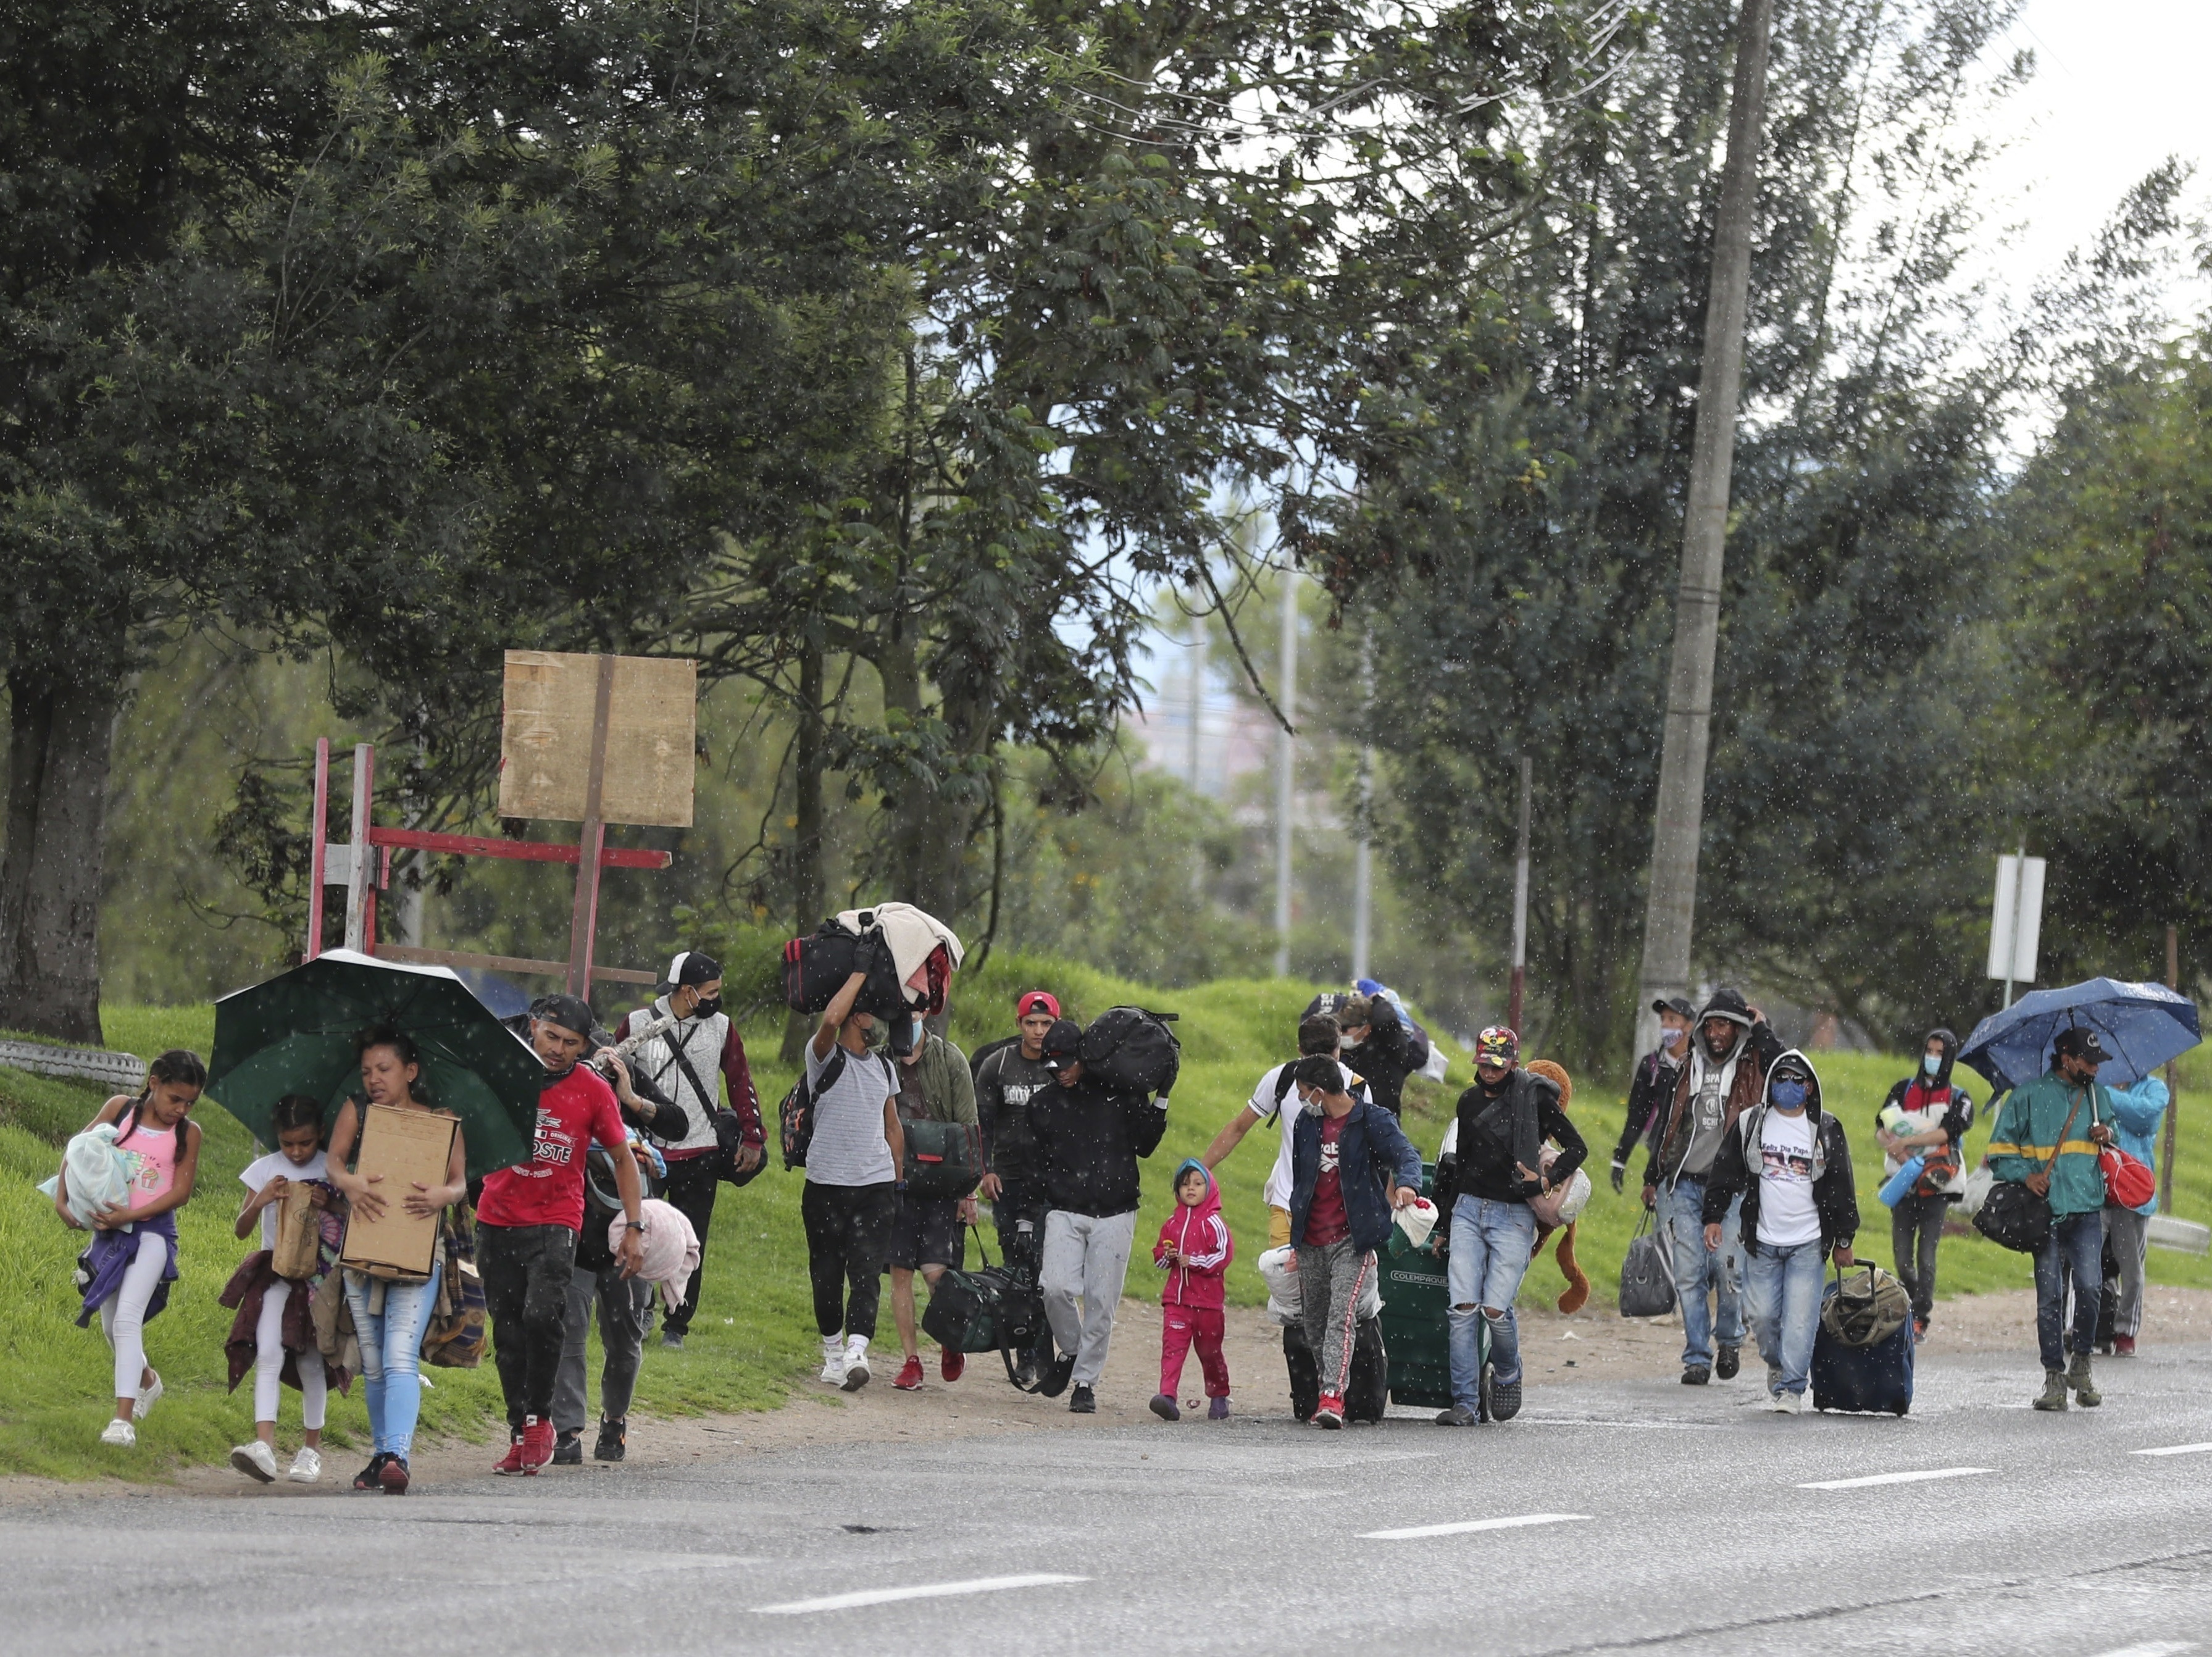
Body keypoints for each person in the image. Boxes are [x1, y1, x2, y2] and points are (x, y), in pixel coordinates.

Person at [477, 996, 645, 1477]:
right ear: (533, 1027)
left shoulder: (592, 1090)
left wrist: (633, 1228)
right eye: (550, 1036)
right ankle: (519, 1430)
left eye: (570, 1044)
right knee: (507, 1331)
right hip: (496, 1217)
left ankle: (541, 1420)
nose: (557, 1050)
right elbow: (464, 1132)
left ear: (583, 1047)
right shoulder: (503, 1072)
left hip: (556, 1220)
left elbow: (623, 1157)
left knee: (542, 1315)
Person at [327, 1027, 471, 1492]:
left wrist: (440, 1198)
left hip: (418, 1249)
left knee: (398, 1355)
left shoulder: (440, 1120)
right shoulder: (358, 1111)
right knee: (370, 1361)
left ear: (410, 1071)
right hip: (363, 1248)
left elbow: (459, 1182)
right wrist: (348, 1184)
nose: (374, 1079)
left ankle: (398, 1456)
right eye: (367, 1071)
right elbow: (333, 1162)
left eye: (384, 1069)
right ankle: (381, 1454)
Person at [52, 1050, 207, 1450]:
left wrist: (133, 1213)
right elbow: (78, 1150)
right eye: (176, 1098)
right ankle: (148, 1382)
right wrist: (63, 1199)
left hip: (154, 1234)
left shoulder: (189, 1133)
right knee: (110, 1328)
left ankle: (122, 1422)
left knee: (126, 1321)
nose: (182, 1108)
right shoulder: (120, 1109)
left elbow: (181, 1192)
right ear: (154, 1082)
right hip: (109, 1235)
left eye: (190, 1102)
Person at [1432, 1028, 1584, 1427]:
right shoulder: (1467, 1102)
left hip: (1513, 1216)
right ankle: (1465, 1402)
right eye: (1484, 1063)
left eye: (1498, 1064)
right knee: (1462, 1309)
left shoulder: (1535, 1098)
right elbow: (1459, 1166)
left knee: (1496, 1310)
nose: (1489, 1071)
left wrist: (1544, 1182)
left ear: (1513, 1063)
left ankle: (1506, 1372)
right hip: (1468, 1210)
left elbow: (1576, 1148)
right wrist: (1444, 1224)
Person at [617, 951, 763, 1349]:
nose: (718, 997)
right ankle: (637, 1312)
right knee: (639, 1232)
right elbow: (611, 1081)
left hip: (701, 1151)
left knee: (691, 1242)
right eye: (712, 991)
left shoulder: (722, 1028)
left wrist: (753, 1136)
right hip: (646, 1154)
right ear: (688, 991)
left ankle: (677, 1324)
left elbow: (739, 1080)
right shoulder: (637, 1025)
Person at [1701, 1050, 1859, 1413]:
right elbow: (1724, 1172)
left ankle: (1792, 1387)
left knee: (1801, 1320)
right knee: (1761, 1316)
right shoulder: (1750, 1124)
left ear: (1809, 1088)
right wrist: (1713, 1216)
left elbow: (1841, 1186)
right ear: (1771, 1083)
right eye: (1781, 1078)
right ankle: (1776, 1362)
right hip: (1762, 1242)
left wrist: (1844, 1239)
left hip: (1808, 1242)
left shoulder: (1826, 1129)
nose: (1788, 1086)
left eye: (1796, 1080)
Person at [1644, 987, 1783, 1385]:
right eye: (1713, 1024)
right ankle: (1697, 1358)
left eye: (1728, 1024)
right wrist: (1653, 1174)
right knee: (1688, 1273)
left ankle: (1729, 1340)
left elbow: (1784, 1065)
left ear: (1739, 1028)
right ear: (1703, 1028)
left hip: (1736, 1188)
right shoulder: (1688, 1065)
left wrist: (1762, 1029)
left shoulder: (1755, 1065)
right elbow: (1669, 1122)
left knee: (1728, 1269)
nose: (1718, 1032)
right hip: (1686, 1184)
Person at [1030, 1016, 1168, 1413]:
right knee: (1054, 1287)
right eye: (1051, 1066)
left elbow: (1145, 1145)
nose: (1059, 1073)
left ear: (1084, 1057)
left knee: (1101, 1300)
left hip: (1117, 1210)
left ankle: (1085, 1382)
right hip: (1064, 1208)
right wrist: (1030, 1210)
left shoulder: (1120, 1094)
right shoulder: (1043, 1104)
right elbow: (1034, 1161)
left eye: (1065, 1064)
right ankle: (1072, 1350)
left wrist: (1162, 1097)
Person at [1285, 1056, 1422, 1428]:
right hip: (1311, 1239)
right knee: (1312, 1321)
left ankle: (1333, 1397)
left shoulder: (1372, 1120)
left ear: (1319, 1090)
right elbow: (1301, 1182)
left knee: (1340, 1316)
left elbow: (1406, 1155)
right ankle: (1323, 1391)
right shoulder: (1305, 1124)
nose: (1301, 1100)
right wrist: (1295, 1239)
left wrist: (1408, 1183)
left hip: (1352, 1239)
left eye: (1302, 1092)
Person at [1989, 1027, 2117, 1411]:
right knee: (2050, 1299)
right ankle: (2053, 1378)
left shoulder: (2098, 1096)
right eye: (2088, 1061)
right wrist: (2026, 1174)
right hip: (2045, 1216)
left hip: (2088, 1211)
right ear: (2067, 1059)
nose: (2095, 1068)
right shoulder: (2026, 1097)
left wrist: (2107, 1132)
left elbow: (2116, 1136)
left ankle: (2081, 1363)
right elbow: (1998, 1153)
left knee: (2092, 1288)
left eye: (2097, 1062)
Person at [551, 1080, 669, 1465]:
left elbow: (679, 1124)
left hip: (627, 1249)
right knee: (569, 1334)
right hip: (577, 1245)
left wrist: (632, 1094)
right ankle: (567, 1431)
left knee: (624, 1341)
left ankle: (614, 1419)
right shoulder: (562, 1122)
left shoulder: (633, 1138)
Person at [803, 967, 904, 1392]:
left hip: (875, 1187)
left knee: (866, 1273)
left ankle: (856, 1351)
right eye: (874, 1015)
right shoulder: (823, 1054)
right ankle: (832, 1352)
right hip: (825, 1184)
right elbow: (829, 1021)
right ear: (858, 1017)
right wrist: (862, 971)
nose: (881, 1023)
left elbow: (893, 1127)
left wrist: (897, 1184)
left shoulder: (883, 1065)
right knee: (826, 1273)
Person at [226, 1094, 335, 1483]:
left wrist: (333, 1204)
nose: (296, 1151)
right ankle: (264, 1447)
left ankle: (311, 1451)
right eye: (288, 1143)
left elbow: (354, 1221)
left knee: (310, 1361)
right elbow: (241, 1230)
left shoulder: (333, 1167)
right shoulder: (265, 1169)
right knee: (268, 1350)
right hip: (274, 1272)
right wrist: (260, 1202)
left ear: (321, 1133)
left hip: (319, 1278)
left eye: (305, 1142)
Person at [1200, 1012, 1355, 1249]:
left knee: (1326, 1286)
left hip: (1338, 1215)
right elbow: (1238, 1128)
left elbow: (1373, 1149)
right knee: (1284, 1283)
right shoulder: (1281, 1078)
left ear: (1299, 1049)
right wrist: (1199, 1171)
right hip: (1288, 1208)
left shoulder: (1357, 1087)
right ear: (1338, 1050)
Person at [887, 1011, 980, 1392]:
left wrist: (968, 1191)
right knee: (900, 1272)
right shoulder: (882, 1057)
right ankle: (911, 1360)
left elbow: (968, 1127)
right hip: (897, 1181)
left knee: (936, 1273)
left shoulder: (950, 1059)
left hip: (941, 1183)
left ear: (925, 1012)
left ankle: (948, 1340)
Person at [1874, 1028, 1975, 1340]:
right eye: (1929, 1051)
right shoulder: (1902, 1089)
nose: (1932, 1058)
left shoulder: (1960, 1098)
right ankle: (1911, 1300)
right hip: (1903, 1182)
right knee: (1902, 1257)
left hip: (1937, 1185)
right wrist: (1896, 1148)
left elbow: (1947, 1133)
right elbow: (1881, 1126)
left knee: (1926, 1255)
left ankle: (1921, 1316)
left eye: (1939, 1053)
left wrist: (1908, 1141)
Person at [974, 991, 1061, 1269]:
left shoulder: (1065, 1066)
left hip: (1053, 1179)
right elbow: (982, 1125)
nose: (1038, 1031)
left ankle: (1043, 1314)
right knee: (1014, 1259)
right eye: (1031, 1023)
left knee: (1047, 1262)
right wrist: (986, 1170)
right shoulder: (997, 1065)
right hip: (1008, 1177)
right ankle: (1015, 1313)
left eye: (1046, 1024)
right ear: (1019, 1023)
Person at [1150, 1159, 1233, 1421]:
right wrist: (1169, 1255)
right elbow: (1160, 1259)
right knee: (1172, 1349)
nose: (1191, 1189)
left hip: (1208, 1303)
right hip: (1176, 1302)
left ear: (1210, 1188)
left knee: (1210, 1352)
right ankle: (1167, 1396)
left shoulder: (1214, 1223)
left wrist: (1194, 1260)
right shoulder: (1171, 1222)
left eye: (1198, 1184)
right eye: (1185, 1184)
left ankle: (1219, 1395)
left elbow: (1223, 1256)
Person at [2104, 1074, 2169, 1356]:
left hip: (2133, 1194)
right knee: (2088, 1265)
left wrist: (2104, 1095)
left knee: (2132, 1272)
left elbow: (2145, 1117)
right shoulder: (2097, 1083)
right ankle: (2092, 1325)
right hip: (2096, 1187)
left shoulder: (2155, 1089)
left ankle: (2125, 1330)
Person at [1612, 997, 1694, 1193]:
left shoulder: (1702, 1064)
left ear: (1689, 1026)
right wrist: (1620, 1159)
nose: (1665, 1025)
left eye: (1672, 1019)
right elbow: (1637, 1115)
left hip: (1698, 1155)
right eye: (1663, 1019)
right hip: (1663, 1154)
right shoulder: (1652, 1066)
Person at [1332, 990, 1427, 1119]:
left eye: (1345, 1028)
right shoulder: (1350, 1051)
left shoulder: (1389, 1049)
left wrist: (1378, 999)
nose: (1340, 1033)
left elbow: (1387, 1020)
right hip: (1353, 1125)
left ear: (1366, 1029)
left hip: (1383, 1125)